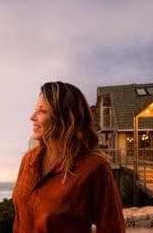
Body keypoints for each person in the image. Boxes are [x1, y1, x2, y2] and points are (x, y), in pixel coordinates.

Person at [12, 81, 125, 233]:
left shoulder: (94, 167)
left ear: (65, 118)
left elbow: (112, 227)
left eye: (42, 111)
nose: (32, 117)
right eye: (35, 110)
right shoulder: (29, 160)